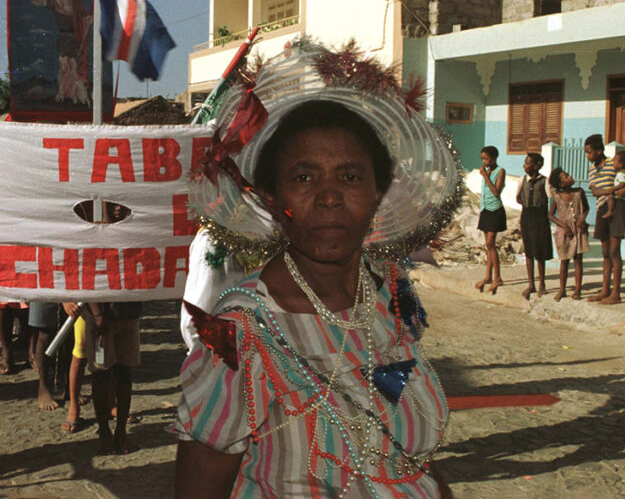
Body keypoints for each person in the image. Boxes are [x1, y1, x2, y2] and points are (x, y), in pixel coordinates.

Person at [175, 41, 459, 498]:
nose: (328, 196)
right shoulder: (241, 331)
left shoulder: (391, 294)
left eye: (349, 176)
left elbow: (411, 459)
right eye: (303, 177)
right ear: (273, 197)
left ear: (376, 194)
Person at [63, 301, 142, 454]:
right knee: (101, 373)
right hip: (100, 316)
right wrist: (97, 314)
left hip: (128, 313)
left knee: (125, 372)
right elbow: (89, 278)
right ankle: (104, 432)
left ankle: (121, 432)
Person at [585, 135, 625, 305]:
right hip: (602, 208)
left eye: (589, 152)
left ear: (599, 151)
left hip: (617, 208)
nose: (587, 156)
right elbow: (594, 191)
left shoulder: (613, 163)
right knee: (605, 252)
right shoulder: (592, 170)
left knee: (614, 251)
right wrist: (611, 191)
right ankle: (605, 290)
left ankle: (616, 293)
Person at [548, 167, 590, 301]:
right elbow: (550, 215)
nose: (570, 176)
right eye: (566, 176)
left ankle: (578, 290)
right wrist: (564, 226)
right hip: (564, 232)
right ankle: (562, 290)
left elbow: (586, 208)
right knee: (564, 261)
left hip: (578, 230)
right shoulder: (558, 197)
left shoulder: (579, 192)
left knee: (578, 260)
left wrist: (582, 219)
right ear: (561, 184)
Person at [516, 153, 553, 299]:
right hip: (526, 217)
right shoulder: (522, 180)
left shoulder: (545, 181)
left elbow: (551, 198)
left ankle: (542, 284)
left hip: (540, 218)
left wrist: (547, 213)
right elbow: (518, 197)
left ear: (537, 165)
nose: (525, 165)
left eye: (527, 163)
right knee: (529, 251)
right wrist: (527, 204)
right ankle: (531, 284)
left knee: (540, 252)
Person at [474, 145, 506, 294]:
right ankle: (488, 276)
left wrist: (485, 177)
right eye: (482, 159)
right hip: (485, 209)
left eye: (486, 158)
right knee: (488, 245)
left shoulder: (500, 171)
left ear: (494, 158)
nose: (484, 161)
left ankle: (497, 278)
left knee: (491, 243)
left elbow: (496, 192)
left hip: (495, 210)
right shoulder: (486, 171)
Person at [28, 301, 61, 410]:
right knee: (45, 332)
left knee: (70, 332)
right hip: (47, 288)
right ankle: (43, 386)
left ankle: (69, 386)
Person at [601, 150, 625, 219]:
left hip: (622, 195)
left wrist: (613, 188)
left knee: (610, 197)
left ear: (621, 164)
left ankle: (610, 211)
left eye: (614, 161)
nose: (613, 163)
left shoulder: (622, 174)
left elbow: (622, 184)